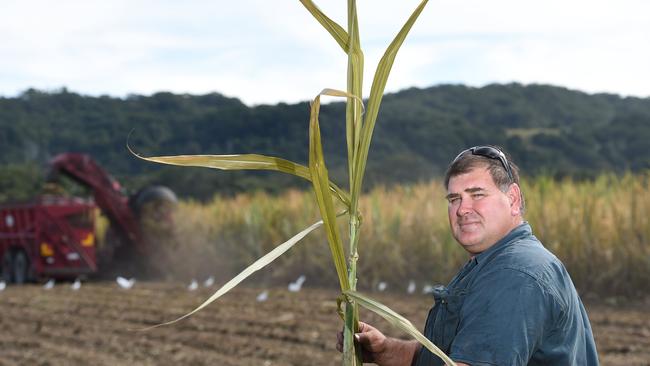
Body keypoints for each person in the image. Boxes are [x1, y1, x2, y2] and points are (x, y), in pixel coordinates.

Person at [338, 145, 599, 365]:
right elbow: (451, 355)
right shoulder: (492, 263)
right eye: (454, 199)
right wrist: (385, 350)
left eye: (477, 195)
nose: (462, 209)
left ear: (513, 199)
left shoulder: (514, 273)